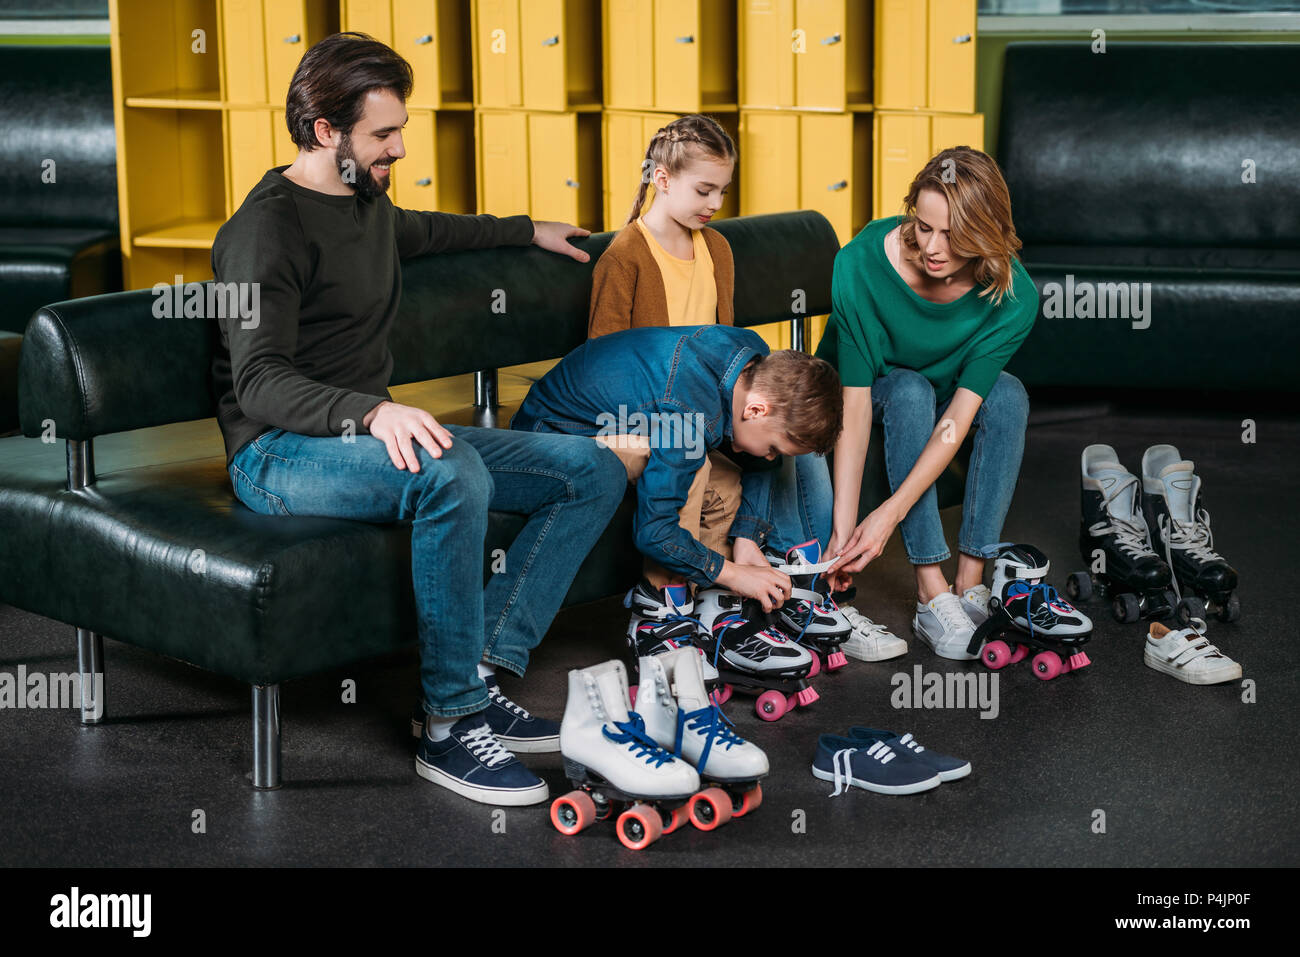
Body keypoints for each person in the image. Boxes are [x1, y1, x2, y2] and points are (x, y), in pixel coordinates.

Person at [211, 32, 627, 806]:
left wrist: (524, 229)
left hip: (365, 432)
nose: (399, 148)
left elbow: (428, 231)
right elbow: (261, 382)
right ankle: (447, 723)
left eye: (399, 130)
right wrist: (372, 412)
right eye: (383, 135)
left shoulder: (364, 202)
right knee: (450, 473)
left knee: (590, 470)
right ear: (325, 132)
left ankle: (478, 670)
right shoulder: (266, 232)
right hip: (279, 451)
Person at [511, 324, 842, 676]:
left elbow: (756, 465)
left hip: (621, 425)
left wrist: (746, 539)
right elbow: (655, 530)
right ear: (756, 410)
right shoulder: (688, 411)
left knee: (725, 485)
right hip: (555, 440)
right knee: (693, 469)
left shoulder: (756, 364)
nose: (772, 457)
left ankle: (713, 613)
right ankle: (657, 616)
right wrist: (732, 573)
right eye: (775, 448)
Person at [822, 146, 1036, 661]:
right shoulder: (860, 265)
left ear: (985, 234)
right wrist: (847, 531)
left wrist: (889, 515)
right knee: (911, 390)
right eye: (923, 226)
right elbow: (851, 409)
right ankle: (929, 588)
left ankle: (969, 581)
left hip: (941, 397)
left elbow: (958, 419)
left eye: (954, 236)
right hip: (864, 393)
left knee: (1008, 395)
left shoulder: (1013, 297)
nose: (933, 247)